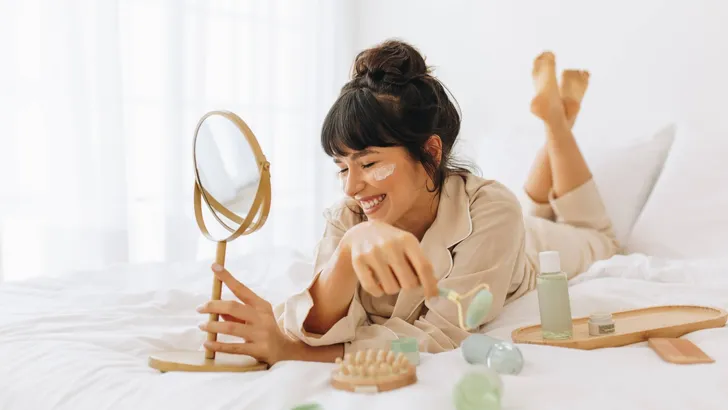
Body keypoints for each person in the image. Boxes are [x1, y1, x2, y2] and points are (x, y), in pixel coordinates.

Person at [196, 40, 619, 365]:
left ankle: (558, 124)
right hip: (516, 224)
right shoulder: (349, 217)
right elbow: (313, 322)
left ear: (431, 154)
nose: (352, 187)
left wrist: (292, 354)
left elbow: (436, 338)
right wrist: (348, 249)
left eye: (370, 163)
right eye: (343, 167)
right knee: (535, 205)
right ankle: (557, 119)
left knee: (596, 235)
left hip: (538, 247)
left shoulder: (493, 210)